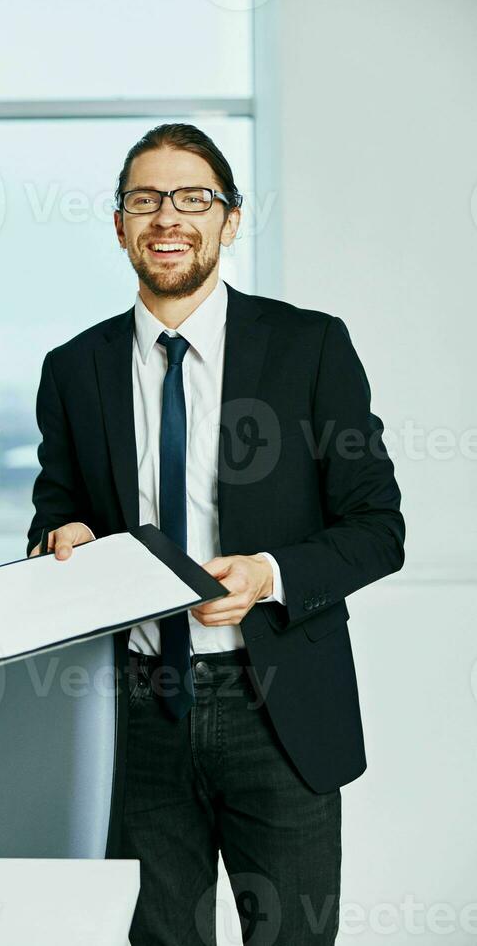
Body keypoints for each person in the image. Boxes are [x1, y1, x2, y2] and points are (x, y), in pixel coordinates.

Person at [26, 123, 405, 945]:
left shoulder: (309, 347)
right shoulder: (73, 367)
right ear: (120, 222)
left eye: (193, 198)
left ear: (230, 219)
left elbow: (379, 529)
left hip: (277, 706)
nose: (168, 217)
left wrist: (268, 574)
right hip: (133, 712)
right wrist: (62, 539)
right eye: (145, 199)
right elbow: (54, 512)